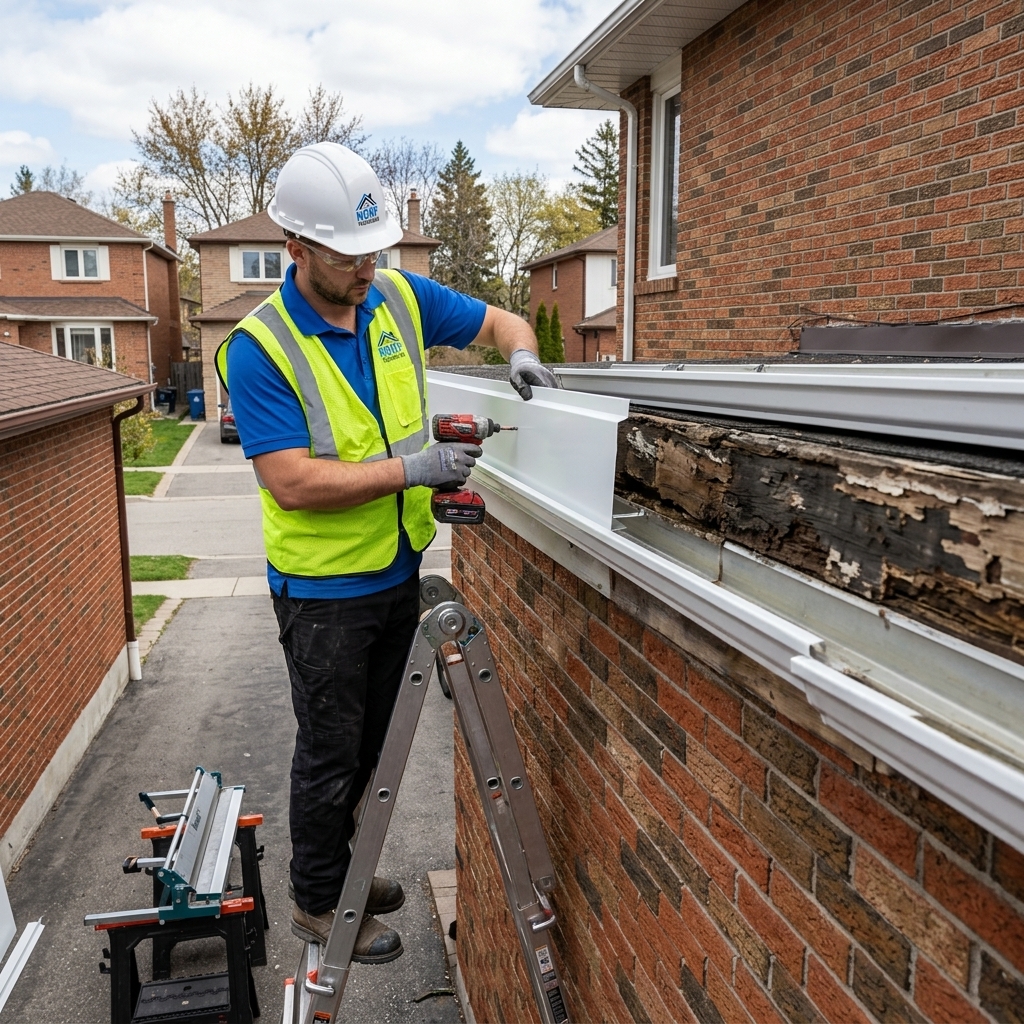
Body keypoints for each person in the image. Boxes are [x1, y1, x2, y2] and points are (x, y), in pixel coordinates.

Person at [216, 143, 559, 964]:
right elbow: (291, 481)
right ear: (296, 249)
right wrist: (416, 469)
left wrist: (519, 352)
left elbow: (501, 321)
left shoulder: (396, 295)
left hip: (395, 566)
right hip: (323, 588)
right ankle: (315, 898)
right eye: (348, 256)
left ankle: (347, 871)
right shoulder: (261, 348)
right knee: (332, 748)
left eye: (375, 252)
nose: (368, 269)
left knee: (373, 746)